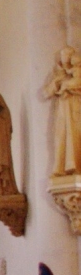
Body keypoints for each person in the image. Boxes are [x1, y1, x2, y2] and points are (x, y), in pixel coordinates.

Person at [44, 46, 81, 177]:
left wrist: (67, 85)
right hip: (62, 110)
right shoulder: (58, 75)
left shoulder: (77, 71)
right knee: (61, 137)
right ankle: (60, 168)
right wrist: (57, 84)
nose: (65, 58)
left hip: (75, 108)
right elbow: (46, 93)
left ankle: (75, 166)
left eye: (67, 55)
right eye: (63, 55)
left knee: (75, 136)